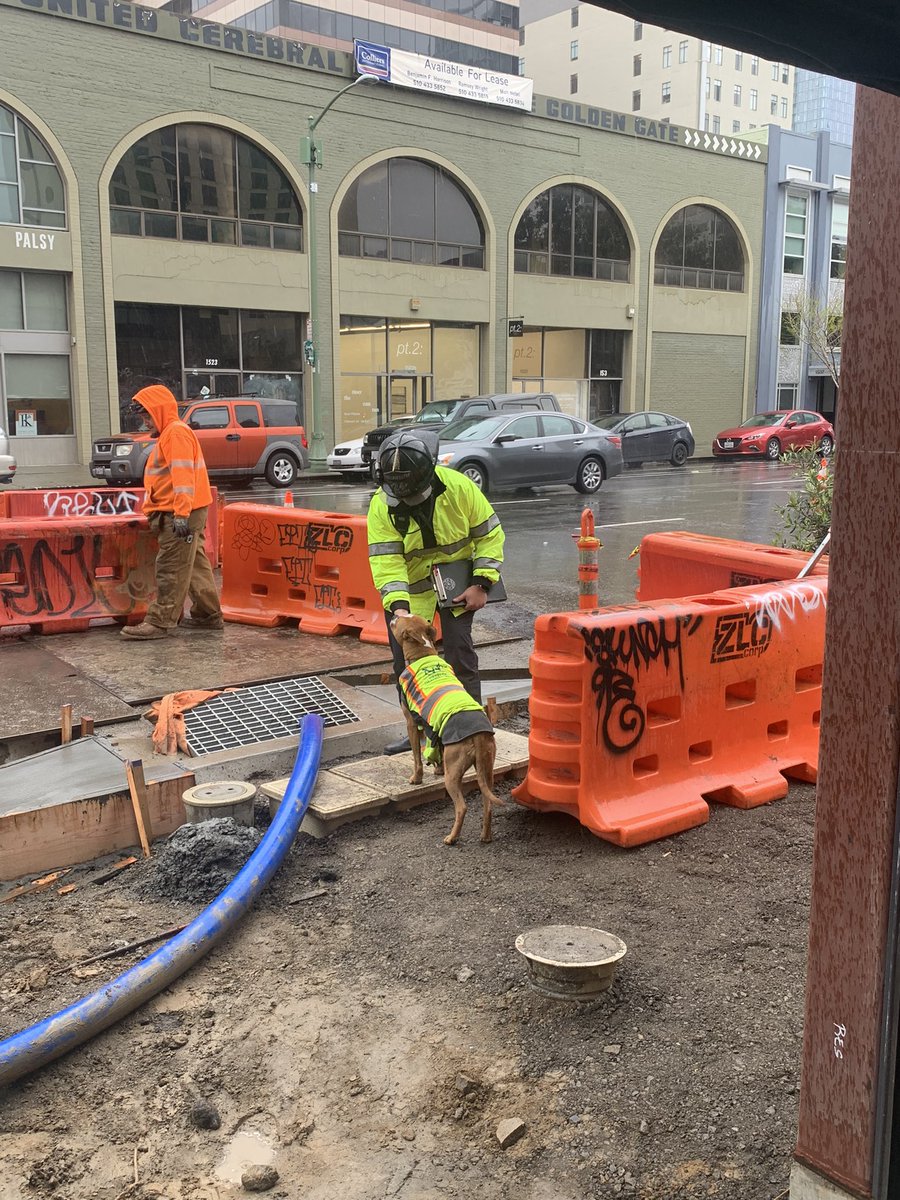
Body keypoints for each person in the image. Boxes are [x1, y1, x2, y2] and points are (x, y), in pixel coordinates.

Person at [367, 429, 505, 754]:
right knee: (406, 666)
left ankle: (469, 729)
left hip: (459, 586)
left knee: (460, 656)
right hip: (410, 595)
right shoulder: (381, 507)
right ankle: (418, 732)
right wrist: (399, 608)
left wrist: (482, 584)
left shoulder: (459, 488)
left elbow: (490, 535)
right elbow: (386, 561)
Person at [121, 384, 223, 641]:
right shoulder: (173, 432)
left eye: (147, 416)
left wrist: (180, 513)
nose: (145, 423)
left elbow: (182, 476)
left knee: (171, 566)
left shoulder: (175, 434)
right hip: (186, 510)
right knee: (194, 564)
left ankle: (160, 621)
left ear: (159, 411)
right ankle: (208, 615)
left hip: (179, 512)